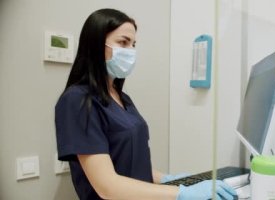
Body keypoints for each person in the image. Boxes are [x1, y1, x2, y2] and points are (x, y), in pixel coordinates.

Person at [54, 8, 237, 200]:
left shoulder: (122, 98)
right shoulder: (77, 101)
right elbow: (107, 186)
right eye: (123, 42)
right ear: (96, 44)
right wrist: (181, 193)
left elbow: (131, 167)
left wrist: (169, 179)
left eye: (133, 44)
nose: (131, 51)